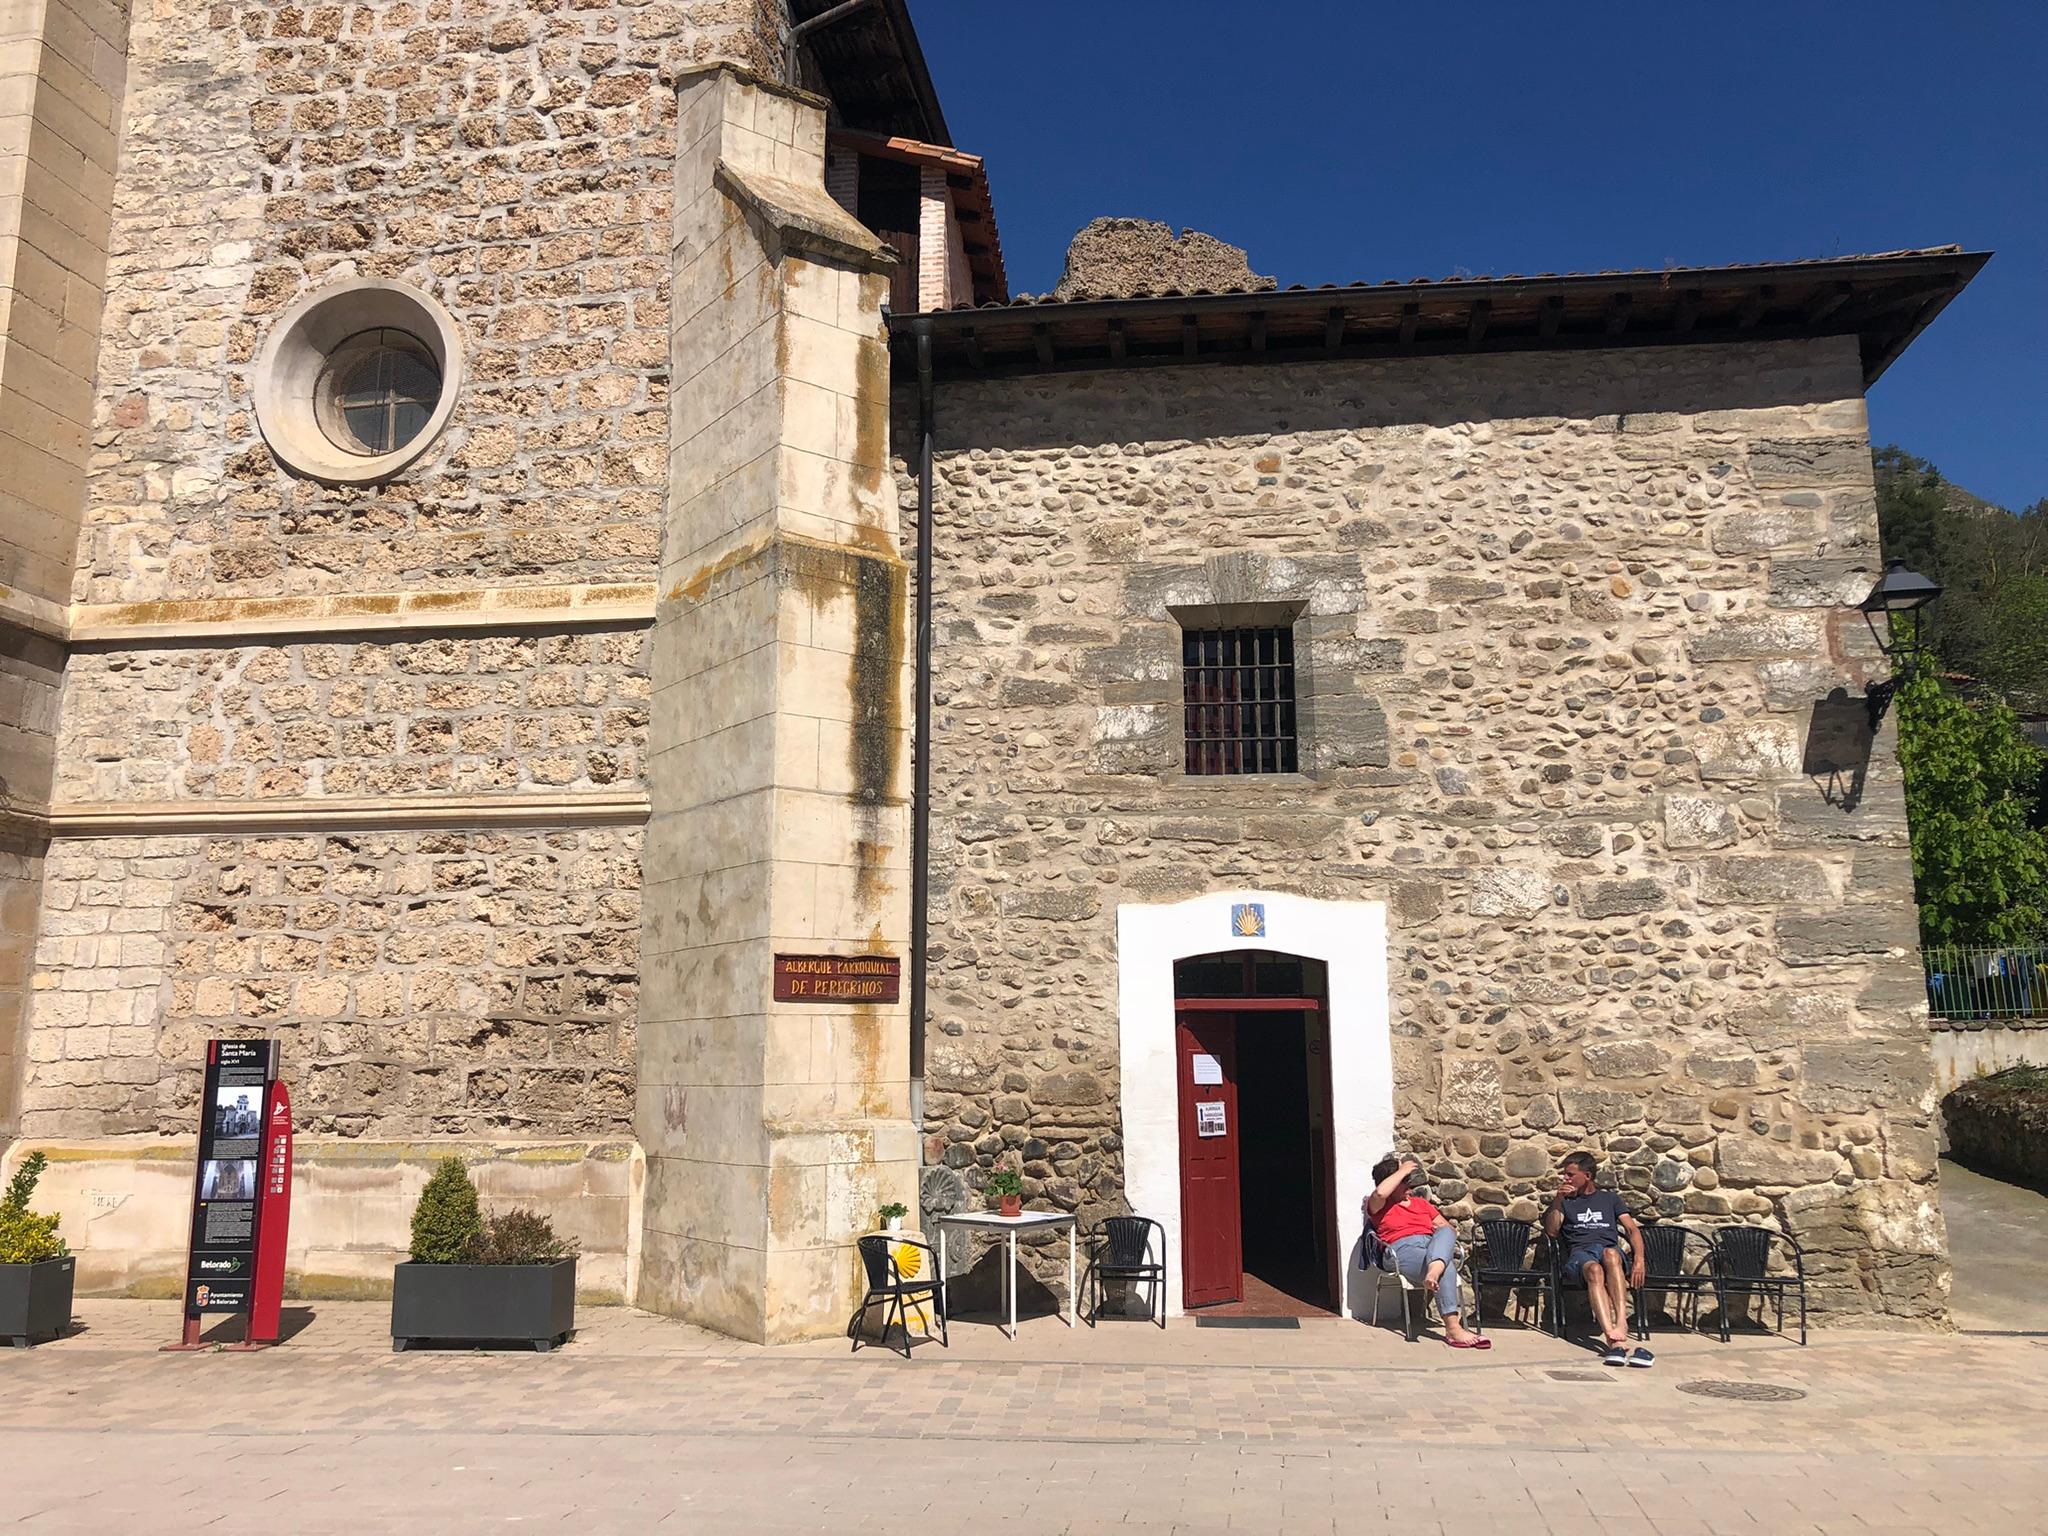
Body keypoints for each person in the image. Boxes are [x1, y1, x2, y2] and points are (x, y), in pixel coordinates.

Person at [1365, 1153, 1490, 1349]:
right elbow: (1380, 1193)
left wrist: (1438, 1235)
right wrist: (1403, 1169)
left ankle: (1433, 1271)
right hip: (1401, 1250)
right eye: (1404, 1180)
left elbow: (1445, 1228)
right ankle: (1453, 1329)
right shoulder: (1379, 1206)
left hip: (1431, 1246)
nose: (1410, 1185)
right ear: (1391, 1180)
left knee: (1447, 1231)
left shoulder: (1421, 1204)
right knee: (1446, 1266)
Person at [1544, 1150, 1652, 1367]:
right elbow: (1552, 1231)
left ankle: (1621, 1322)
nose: (1566, 1178)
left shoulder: (1609, 1199)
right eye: (1565, 1174)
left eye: (1571, 1174)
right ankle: (1613, 1338)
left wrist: (1639, 1260)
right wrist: (1558, 1200)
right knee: (1595, 1270)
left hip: (1608, 1251)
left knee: (1610, 1254)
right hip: (1580, 1255)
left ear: (1588, 1176)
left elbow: (1632, 1229)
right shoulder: (1565, 1202)